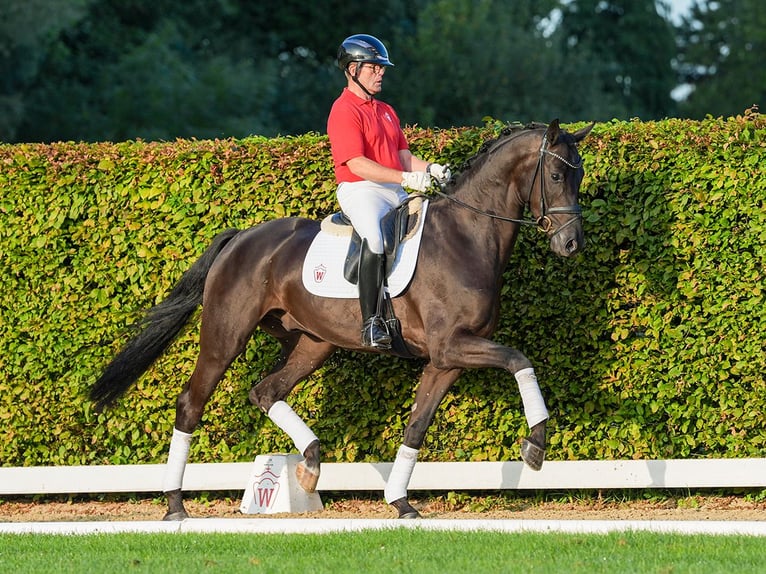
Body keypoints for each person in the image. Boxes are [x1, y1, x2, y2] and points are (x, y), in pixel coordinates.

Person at [327, 33, 450, 349]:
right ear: (353, 69)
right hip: (361, 190)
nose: (380, 72)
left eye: (381, 68)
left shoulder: (386, 110)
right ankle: (371, 322)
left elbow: (405, 158)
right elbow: (357, 164)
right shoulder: (343, 110)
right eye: (373, 67)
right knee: (375, 238)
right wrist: (406, 179)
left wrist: (432, 169)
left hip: (392, 187)